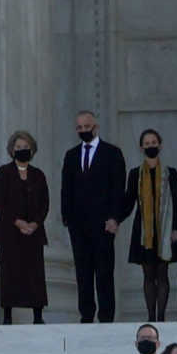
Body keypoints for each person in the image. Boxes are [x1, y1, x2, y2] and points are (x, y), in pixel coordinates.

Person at [59, 113, 127, 323]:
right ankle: (86, 315)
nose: (83, 131)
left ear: (96, 127)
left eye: (86, 126)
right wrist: (67, 217)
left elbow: (118, 188)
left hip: (104, 223)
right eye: (79, 128)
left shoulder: (112, 153)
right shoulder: (71, 155)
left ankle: (106, 316)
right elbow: (66, 188)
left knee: (104, 271)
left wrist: (115, 218)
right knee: (83, 271)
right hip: (78, 224)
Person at [0, 132, 50, 324]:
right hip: (10, 232)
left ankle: (38, 315)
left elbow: (45, 204)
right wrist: (18, 222)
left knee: (35, 274)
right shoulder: (4, 172)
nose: (21, 150)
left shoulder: (38, 175)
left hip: (33, 233)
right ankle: (7, 315)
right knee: (9, 273)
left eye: (25, 147)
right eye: (18, 148)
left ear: (32, 149)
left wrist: (34, 223)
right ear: (11, 150)